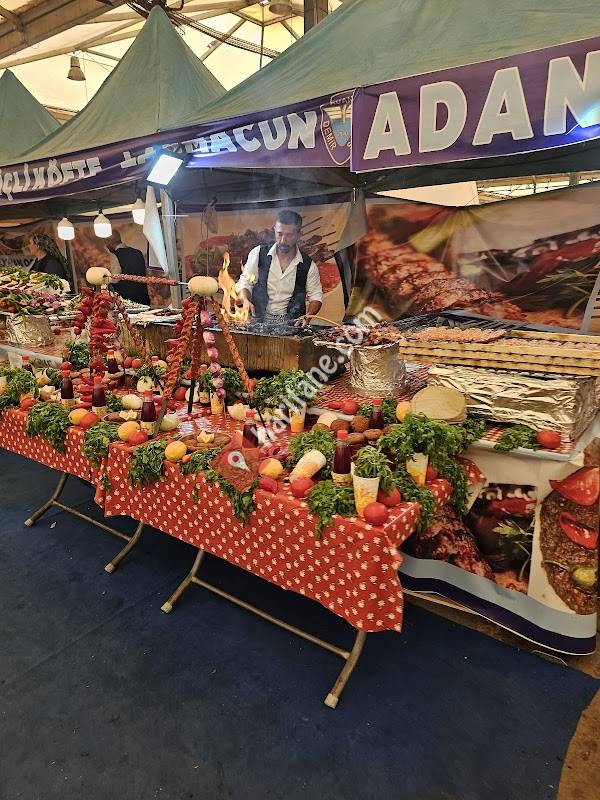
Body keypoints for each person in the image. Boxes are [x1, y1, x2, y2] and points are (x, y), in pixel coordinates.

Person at [236, 209, 323, 325]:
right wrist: (245, 299)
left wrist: (307, 317)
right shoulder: (258, 253)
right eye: (280, 234)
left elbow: (316, 296)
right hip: (257, 323)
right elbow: (245, 283)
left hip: (291, 327)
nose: (283, 241)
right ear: (274, 230)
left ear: (299, 235)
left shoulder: (308, 265)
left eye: (289, 235)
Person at [103, 230, 151, 306]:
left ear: (109, 242)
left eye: (106, 243)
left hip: (126, 303)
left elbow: (115, 280)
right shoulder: (138, 253)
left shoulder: (113, 257)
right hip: (143, 299)